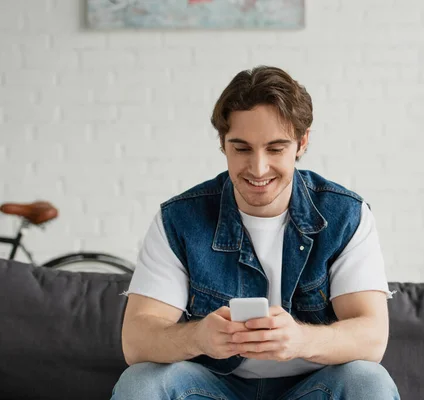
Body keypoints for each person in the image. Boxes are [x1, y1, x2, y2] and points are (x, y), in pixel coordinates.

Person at [111, 66, 401, 400]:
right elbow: (136, 342)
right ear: (223, 144)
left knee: (368, 380)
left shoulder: (345, 215)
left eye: (276, 149)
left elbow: (371, 337)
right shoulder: (179, 219)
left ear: (301, 143)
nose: (258, 168)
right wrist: (198, 339)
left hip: (313, 388)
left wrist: (300, 340)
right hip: (211, 388)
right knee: (141, 382)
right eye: (242, 148)